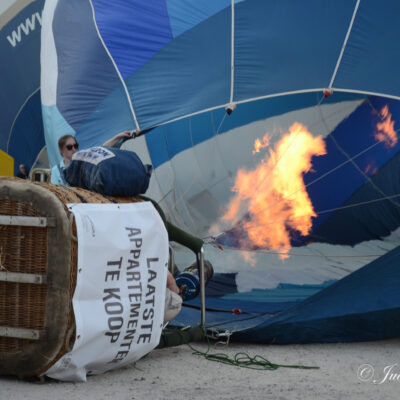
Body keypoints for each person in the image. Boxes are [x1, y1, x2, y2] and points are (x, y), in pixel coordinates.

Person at [50, 131, 132, 185]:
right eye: (69, 147)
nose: (74, 149)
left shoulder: (83, 160)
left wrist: (118, 137)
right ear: (61, 150)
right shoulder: (56, 170)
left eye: (75, 146)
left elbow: (101, 149)